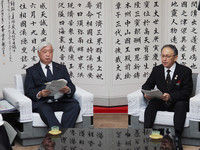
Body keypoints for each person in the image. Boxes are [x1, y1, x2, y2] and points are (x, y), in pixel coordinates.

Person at [142, 44, 193, 150]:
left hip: (176, 102)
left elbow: (187, 92)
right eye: (162, 56)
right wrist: (146, 93)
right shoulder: (157, 70)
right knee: (152, 104)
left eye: (168, 56)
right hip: (161, 101)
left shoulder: (185, 71)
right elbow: (146, 85)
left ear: (175, 57)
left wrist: (170, 96)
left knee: (181, 104)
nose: (164, 59)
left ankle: (177, 138)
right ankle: (147, 135)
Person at [24, 41, 80, 128]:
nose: (48, 54)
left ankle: (64, 134)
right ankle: (61, 135)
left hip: (61, 101)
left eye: (50, 52)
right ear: (38, 53)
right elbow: (28, 91)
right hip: (43, 102)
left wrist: (68, 90)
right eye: (45, 51)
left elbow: (71, 86)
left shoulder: (61, 68)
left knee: (75, 106)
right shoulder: (31, 71)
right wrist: (40, 94)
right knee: (45, 110)